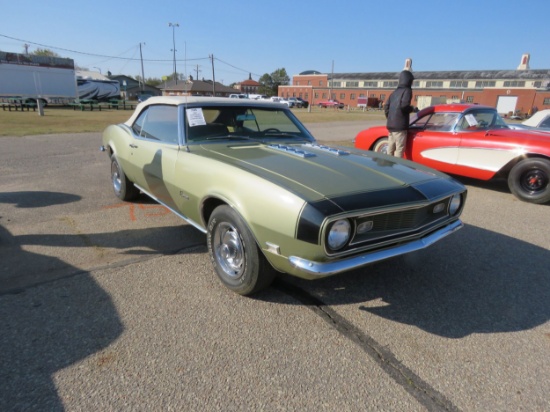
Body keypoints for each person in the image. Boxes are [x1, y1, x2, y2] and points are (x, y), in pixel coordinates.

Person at [384, 70, 415, 157]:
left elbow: (386, 107)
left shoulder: (394, 92)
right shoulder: (407, 90)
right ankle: (397, 168)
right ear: (409, 80)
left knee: (390, 148)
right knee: (399, 149)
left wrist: (389, 118)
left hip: (390, 125)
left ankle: (388, 165)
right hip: (400, 126)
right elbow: (404, 106)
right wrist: (412, 108)